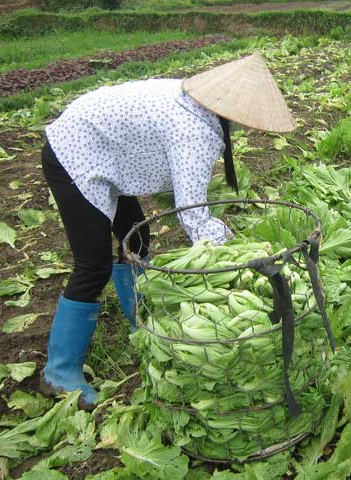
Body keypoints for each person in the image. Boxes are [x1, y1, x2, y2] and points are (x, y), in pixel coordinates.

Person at [39, 54, 296, 408]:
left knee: (137, 237)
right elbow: (193, 216)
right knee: (92, 265)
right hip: (76, 153)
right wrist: (238, 256)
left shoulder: (198, 104)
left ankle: (140, 323)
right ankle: (60, 372)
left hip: (108, 149)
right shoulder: (193, 130)